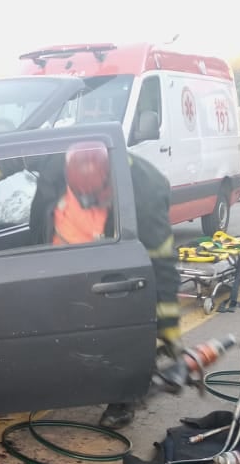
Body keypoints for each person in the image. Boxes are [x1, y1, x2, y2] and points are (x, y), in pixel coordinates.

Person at [25, 144, 179, 429]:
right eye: (80, 195)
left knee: (120, 328)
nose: (87, 201)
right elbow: (21, 147)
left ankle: (123, 400)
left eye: (93, 196)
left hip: (107, 266)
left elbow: (162, 262)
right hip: (61, 262)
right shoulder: (58, 161)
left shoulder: (145, 190)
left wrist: (167, 325)